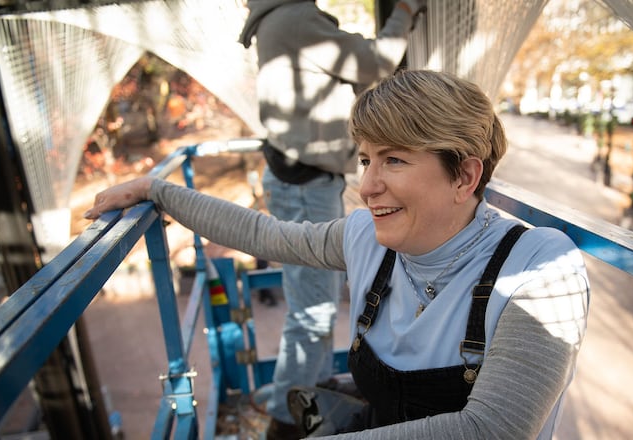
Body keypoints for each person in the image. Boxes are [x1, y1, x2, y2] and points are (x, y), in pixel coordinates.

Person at [84, 69, 590, 439]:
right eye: (366, 159)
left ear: (464, 175)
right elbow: (267, 235)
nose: (367, 186)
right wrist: (159, 191)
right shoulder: (366, 237)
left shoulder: (542, 271)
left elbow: (492, 430)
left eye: (393, 159)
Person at [236, 1, 426, 437]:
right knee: (313, 310)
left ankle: (311, 398)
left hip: (301, 178)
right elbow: (375, 62)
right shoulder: (297, 17)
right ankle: (287, 422)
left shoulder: (279, 18)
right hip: (306, 182)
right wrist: (404, 12)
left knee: (313, 306)